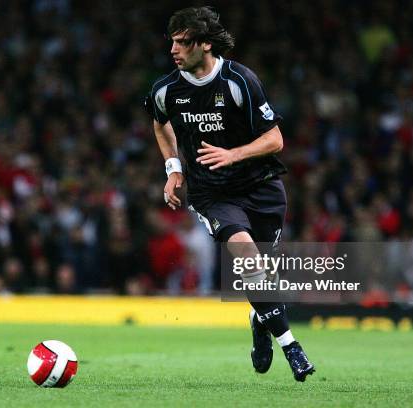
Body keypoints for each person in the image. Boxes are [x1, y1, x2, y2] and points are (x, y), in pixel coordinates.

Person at [146, 6, 314, 381]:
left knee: (260, 275)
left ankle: (259, 318)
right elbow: (160, 125)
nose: (174, 49)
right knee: (245, 254)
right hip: (212, 194)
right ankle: (292, 346)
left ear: (205, 44)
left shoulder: (240, 80)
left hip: (262, 188)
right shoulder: (165, 90)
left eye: (183, 42)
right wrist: (173, 169)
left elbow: (275, 139)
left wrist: (233, 153)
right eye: (172, 41)